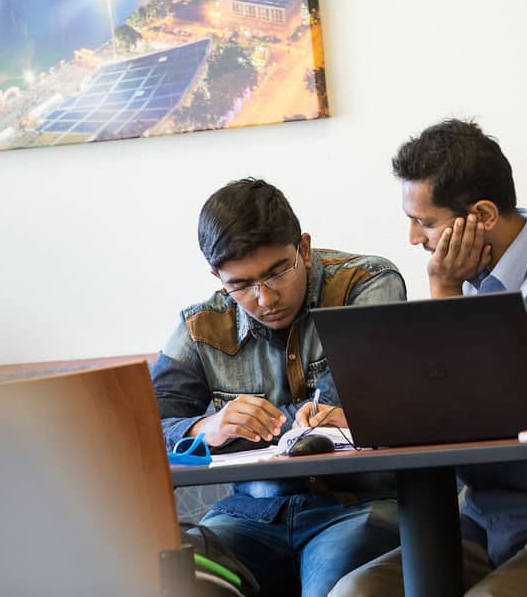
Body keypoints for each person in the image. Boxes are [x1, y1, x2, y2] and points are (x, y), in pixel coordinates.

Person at [332, 119, 527, 596]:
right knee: (355, 592)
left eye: (425, 222)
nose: (413, 238)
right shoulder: (473, 275)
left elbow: (491, 413)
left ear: (482, 214)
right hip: (479, 516)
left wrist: (443, 290)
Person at [151, 178, 406, 597]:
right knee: (179, 577)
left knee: (337, 585)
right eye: (241, 285)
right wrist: (204, 430)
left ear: (304, 249)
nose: (265, 297)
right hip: (248, 516)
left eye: (278, 272)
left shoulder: (367, 283)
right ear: (217, 276)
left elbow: (342, 405)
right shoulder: (199, 326)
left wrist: (249, 433)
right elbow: (143, 429)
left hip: (357, 506)